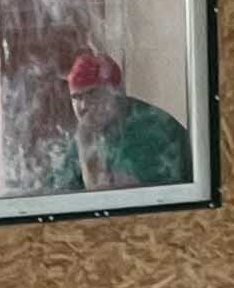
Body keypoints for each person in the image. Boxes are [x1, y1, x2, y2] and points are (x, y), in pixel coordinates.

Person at [59, 48, 193, 193]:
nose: (83, 106)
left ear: (115, 94)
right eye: (76, 97)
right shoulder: (87, 133)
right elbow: (60, 189)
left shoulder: (151, 128)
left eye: (93, 93)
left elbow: (162, 198)